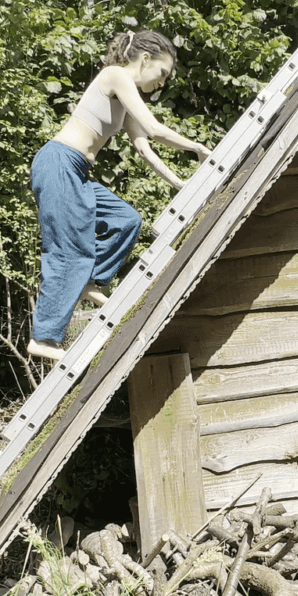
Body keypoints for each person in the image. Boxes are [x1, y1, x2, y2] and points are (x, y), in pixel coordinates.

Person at [27, 29, 211, 362]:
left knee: (126, 220)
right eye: (163, 73)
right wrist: (196, 146)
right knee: (70, 250)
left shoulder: (126, 101)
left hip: (77, 173)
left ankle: (90, 281)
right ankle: (44, 338)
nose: (163, 82)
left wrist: (181, 184)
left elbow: (145, 149)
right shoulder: (115, 76)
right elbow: (155, 129)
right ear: (145, 59)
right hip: (58, 163)